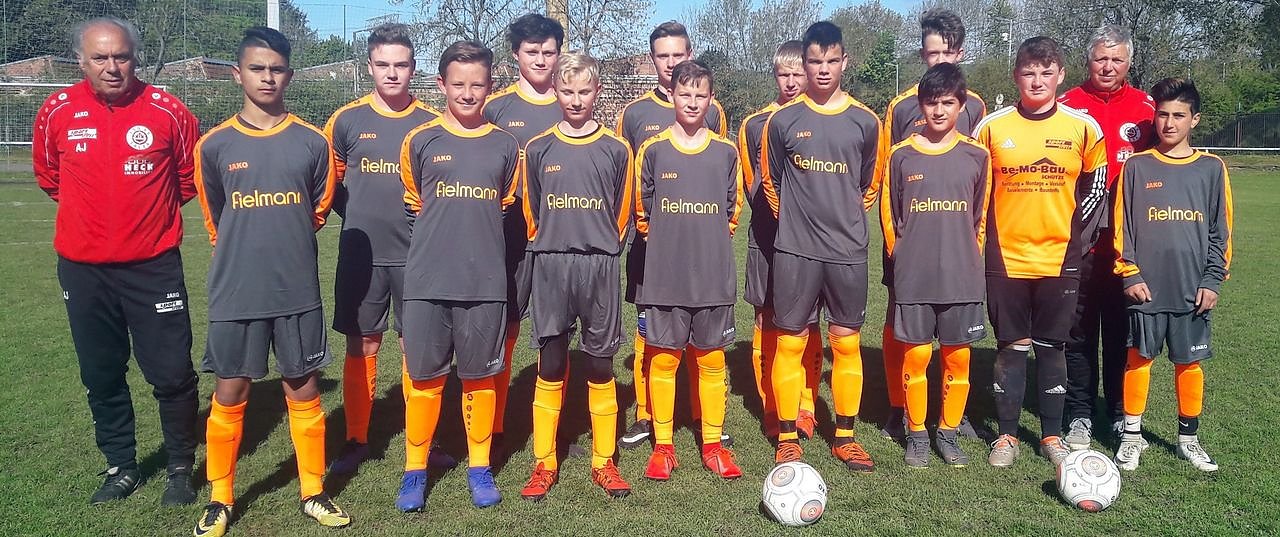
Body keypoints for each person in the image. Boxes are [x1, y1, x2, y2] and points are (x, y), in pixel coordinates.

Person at [33, 15, 200, 506]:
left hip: (153, 267)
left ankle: (180, 468)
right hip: (84, 270)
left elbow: (187, 178)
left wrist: (146, 220)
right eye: (100, 57)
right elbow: (50, 177)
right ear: (81, 61)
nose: (112, 67)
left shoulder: (169, 111)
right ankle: (121, 467)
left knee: (172, 373)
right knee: (102, 373)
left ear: (135, 58)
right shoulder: (56, 111)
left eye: (121, 56)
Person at [191, 26, 349, 537]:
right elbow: (215, 220)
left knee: (304, 388)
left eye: (276, 69)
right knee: (230, 389)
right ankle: (220, 497)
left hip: (296, 290)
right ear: (238, 75)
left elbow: (317, 211)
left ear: (290, 75)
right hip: (237, 289)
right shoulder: (214, 145)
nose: (267, 78)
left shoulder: (312, 141)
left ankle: (313, 491)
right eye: (256, 69)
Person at [395, 41, 520, 512]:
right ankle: (414, 470)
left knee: (480, 379)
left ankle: (479, 467)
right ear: (441, 84)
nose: (468, 94)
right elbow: (414, 204)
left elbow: (505, 204)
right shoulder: (420, 140)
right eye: (458, 84)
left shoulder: (506, 146)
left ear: (490, 86)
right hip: (427, 281)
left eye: (478, 85)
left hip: (484, 283)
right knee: (424, 379)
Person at [972, 36, 1107, 467]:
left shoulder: (1084, 127)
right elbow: (976, 190)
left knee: (1052, 347)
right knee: (1011, 346)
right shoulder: (990, 127)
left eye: (1046, 72)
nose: (1037, 81)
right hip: (1005, 257)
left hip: (1060, 258)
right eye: (1029, 72)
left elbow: (1096, 187)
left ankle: (1051, 436)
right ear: (1016, 75)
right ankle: (1007, 436)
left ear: (1061, 75)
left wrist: (1074, 236)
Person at [325, 22, 449, 475]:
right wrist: (360, 217)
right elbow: (330, 186)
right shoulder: (346, 120)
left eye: (400, 65)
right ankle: (357, 438)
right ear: (369, 67)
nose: (392, 73)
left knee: (417, 347)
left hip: (418, 255)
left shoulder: (431, 124)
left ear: (413, 68)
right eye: (383, 64)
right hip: (363, 257)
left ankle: (424, 439)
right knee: (362, 343)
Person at [761, 21, 882, 472]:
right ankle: (787, 436)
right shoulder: (782, 120)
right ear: (805, 63)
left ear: (844, 62)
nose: (823, 69)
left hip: (847, 252)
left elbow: (869, 185)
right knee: (790, 343)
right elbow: (771, 183)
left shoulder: (866, 121)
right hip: (796, 251)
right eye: (815, 62)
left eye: (832, 61)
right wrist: (798, 224)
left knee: (846, 344)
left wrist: (841, 221)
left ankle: (845, 436)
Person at [518, 53, 634, 501]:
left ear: (597, 92)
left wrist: (602, 247)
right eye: (567, 91)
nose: (576, 99)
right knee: (550, 363)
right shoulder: (539, 148)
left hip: (598, 266)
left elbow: (622, 214)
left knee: (601, 364)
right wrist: (550, 243)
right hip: (551, 264)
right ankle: (544, 462)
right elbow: (531, 211)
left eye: (585, 91)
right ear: (555, 92)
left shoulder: (616, 149)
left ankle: (604, 461)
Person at [871, 8, 986, 441]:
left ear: (960, 53)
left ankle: (955, 415)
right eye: (932, 53)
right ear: (923, 53)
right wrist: (896, 247)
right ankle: (899, 407)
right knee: (901, 326)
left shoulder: (975, 105)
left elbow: (977, 181)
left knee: (955, 341)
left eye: (947, 53)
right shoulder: (900, 106)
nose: (939, 60)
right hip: (911, 243)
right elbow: (887, 174)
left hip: (955, 245)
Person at [615, 20, 731, 450]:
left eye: (677, 55)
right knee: (649, 334)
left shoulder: (713, 114)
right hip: (653, 249)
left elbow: (722, 189)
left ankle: (704, 417)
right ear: (652, 59)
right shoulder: (633, 114)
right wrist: (650, 233)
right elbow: (627, 181)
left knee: (704, 343)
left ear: (689, 55)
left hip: (701, 249)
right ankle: (647, 416)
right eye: (662, 56)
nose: (670, 63)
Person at [1111, 78, 1231, 473]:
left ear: (1194, 120)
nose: (1169, 123)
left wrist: (1212, 280)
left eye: (1179, 115)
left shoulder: (1212, 168)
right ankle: (1131, 437)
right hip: (1146, 287)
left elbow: (1221, 231)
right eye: (1162, 114)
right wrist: (1130, 274)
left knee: (1189, 364)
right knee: (1138, 359)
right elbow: (1122, 227)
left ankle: (1188, 440)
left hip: (1192, 288)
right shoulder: (1137, 166)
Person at [635, 60, 744, 481]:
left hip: (713, 277)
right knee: (663, 360)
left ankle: (713, 444)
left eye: (701, 95)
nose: (693, 102)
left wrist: (708, 242)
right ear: (672, 96)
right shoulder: (653, 150)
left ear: (711, 99)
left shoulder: (726, 151)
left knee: (712, 360)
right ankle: (663, 446)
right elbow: (642, 213)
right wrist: (668, 245)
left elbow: (733, 211)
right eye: (685, 94)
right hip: (665, 277)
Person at [1057, 24, 1156, 450]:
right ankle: (1079, 413)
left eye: (1117, 59)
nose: (1108, 66)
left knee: (1121, 334)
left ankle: (1118, 413)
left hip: (1128, 248)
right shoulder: (1067, 106)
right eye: (1101, 58)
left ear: (1129, 62)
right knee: (1077, 333)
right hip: (1080, 243)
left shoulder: (1147, 109)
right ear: (1088, 61)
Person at [483, 13, 566, 448]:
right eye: (531, 51)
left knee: (555, 333)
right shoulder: (495, 108)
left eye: (548, 52)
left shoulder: (570, 103)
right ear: (516, 54)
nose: (540, 59)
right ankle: (495, 425)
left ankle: (555, 427)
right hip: (507, 236)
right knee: (506, 327)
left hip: (557, 237)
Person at [738, 40, 824, 442]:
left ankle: (805, 405)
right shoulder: (755, 124)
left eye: (797, 74)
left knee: (809, 320)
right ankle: (772, 405)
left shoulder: (821, 120)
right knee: (766, 317)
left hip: (812, 241)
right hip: (766, 237)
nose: (790, 82)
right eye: (783, 74)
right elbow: (749, 183)